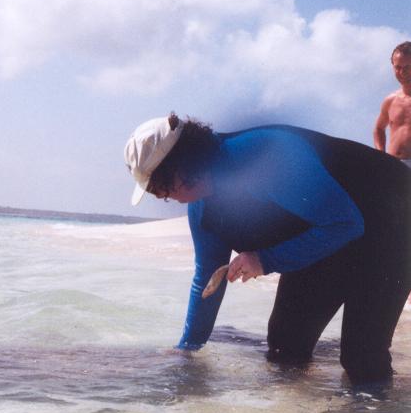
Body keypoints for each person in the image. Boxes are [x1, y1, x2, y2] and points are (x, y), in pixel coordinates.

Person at [124, 114, 411, 385]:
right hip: (328, 233)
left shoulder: (264, 157)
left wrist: (264, 260)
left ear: (184, 167)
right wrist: (188, 348)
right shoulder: (200, 209)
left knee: (362, 356)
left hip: (392, 216)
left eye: (158, 187)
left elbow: (345, 223)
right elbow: (208, 279)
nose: (161, 197)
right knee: (286, 346)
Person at [374, 41, 411, 168]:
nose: (402, 72)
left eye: (407, 67)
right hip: (394, 166)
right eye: (398, 67)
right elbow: (379, 129)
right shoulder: (390, 100)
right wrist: (381, 155)